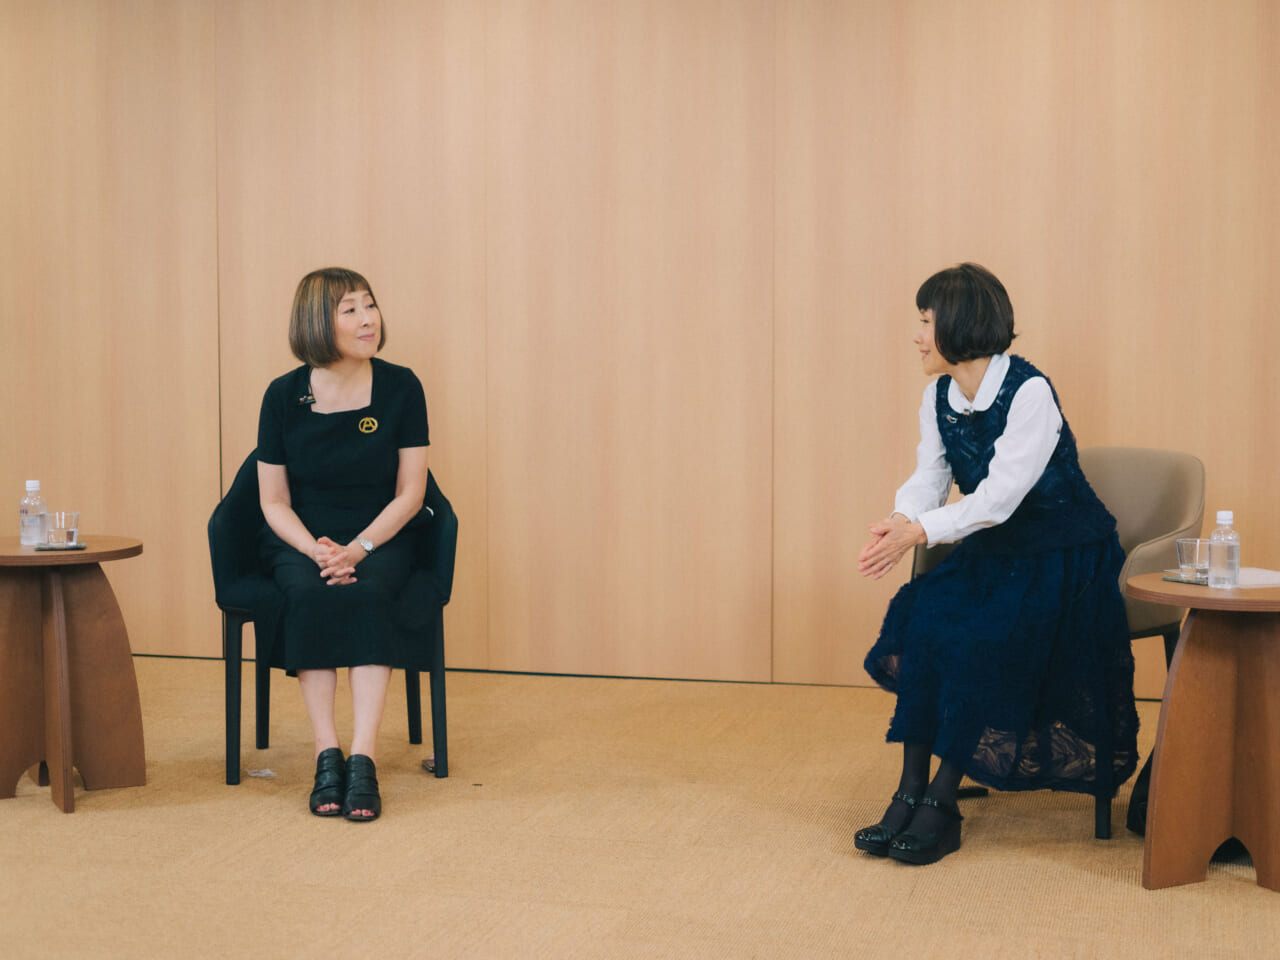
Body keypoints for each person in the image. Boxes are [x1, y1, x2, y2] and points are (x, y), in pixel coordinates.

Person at [854, 263, 1138, 865]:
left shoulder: (1029, 392)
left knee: (981, 636)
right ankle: (910, 789)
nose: (917, 336)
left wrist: (919, 533)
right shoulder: (938, 395)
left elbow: (998, 499)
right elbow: (930, 476)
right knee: (921, 617)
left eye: (925, 321)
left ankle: (942, 802)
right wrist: (901, 520)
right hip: (999, 548)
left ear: (958, 324)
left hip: (1063, 552)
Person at [255, 267, 431, 822]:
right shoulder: (282, 396)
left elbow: (411, 493)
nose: (367, 319)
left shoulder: (402, 386)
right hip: (304, 537)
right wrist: (316, 551)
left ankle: (363, 759)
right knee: (308, 594)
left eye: (369, 305)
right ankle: (326, 754)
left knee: (369, 593)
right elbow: (272, 501)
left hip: (382, 534)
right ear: (316, 322)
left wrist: (358, 548)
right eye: (350, 309)